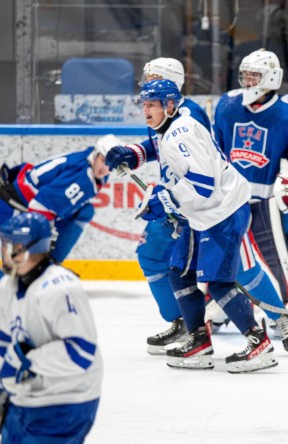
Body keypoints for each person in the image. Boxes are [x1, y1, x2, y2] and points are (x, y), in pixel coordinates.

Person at [136, 78, 277, 373]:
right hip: (203, 214)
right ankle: (200, 340)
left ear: (170, 105)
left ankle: (259, 341)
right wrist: (162, 196)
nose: (146, 110)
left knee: (219, 282)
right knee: (180, 271)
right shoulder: (167, 132)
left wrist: (166, 200)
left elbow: (204, 185)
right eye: (144, 104)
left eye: (152, 104)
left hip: (223, 211)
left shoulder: (179, 134)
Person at [213, 48, 288, 350]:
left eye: (255, 75)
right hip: (231, 201)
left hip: (273, 202)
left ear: (272, 78)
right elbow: (216, 153)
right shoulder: (227, 105)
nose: (247, 80)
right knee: (228, 258)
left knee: (281, 256)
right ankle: (229, 307)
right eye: (245, 74)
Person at [0, 212, 102, 444]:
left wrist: (27, 360)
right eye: (5, 244)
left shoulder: (61, 288)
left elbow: (81, 353)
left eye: (14, 246)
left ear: (36, 249)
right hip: (23, 401)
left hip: (66, 404)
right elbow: (5, 346)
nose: (5, 251)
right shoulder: (5, 288)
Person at [105, 57, 211, 355]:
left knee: (220, 269)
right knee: (153, 255)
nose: (146, 82)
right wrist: (132, 152)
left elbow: (198, 167)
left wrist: (171, 198)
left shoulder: (188, 115)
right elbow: (156, 145)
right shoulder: (163, 109)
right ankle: (183, 321)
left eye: (153, 77)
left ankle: (276, 316)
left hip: (191, 202)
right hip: (173, 200)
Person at [0, 134, 119, 290]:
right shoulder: (81, 178)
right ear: (96, 154)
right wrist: (41, 250)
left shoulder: (92, 165)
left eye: (112, 165)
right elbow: (40, 207)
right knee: (18, 279)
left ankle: (50, 265)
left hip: (29, 206)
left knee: (85, 211)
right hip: (16, 209)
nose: (106, 169)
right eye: (104, 161)